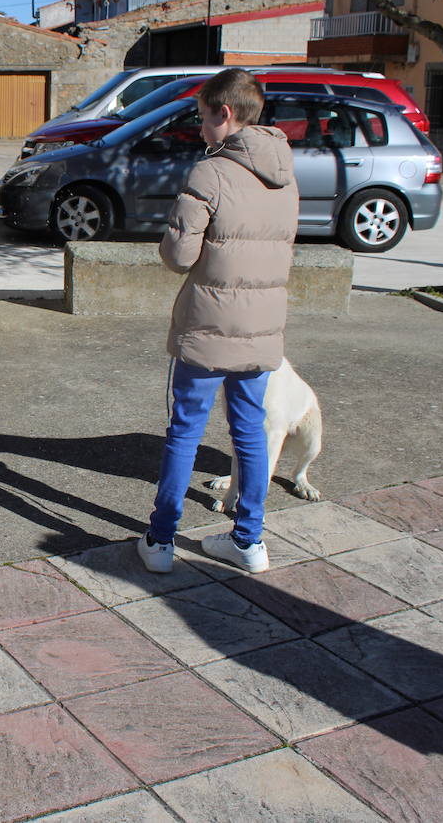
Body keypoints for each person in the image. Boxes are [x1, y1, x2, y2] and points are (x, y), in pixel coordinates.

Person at [137, 68, 298, 575]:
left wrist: (172, 236)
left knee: (184, 431)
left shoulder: (210, 172)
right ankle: (249, 540)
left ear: (223, 114)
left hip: (208, 325)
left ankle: (161, 542)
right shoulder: (286, 173)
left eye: (204, 118)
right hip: (263, 326)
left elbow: (180, 256)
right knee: (249, 432)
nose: (201, 129)